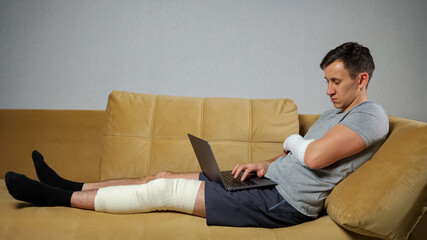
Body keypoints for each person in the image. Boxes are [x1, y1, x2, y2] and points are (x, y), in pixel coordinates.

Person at [5, 42, 389, 228]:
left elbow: (317, 157)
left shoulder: (370, 116)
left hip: (282, 204)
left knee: (163, 193)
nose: (329, 90)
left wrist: (291, 142)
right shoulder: (334, 113)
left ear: (362, 79)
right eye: (326, 81)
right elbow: (305, 153)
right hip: (266, 182)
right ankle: (70, 182)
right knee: (162, 176)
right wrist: (264, 163)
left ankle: (52, 196)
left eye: (335, 82)